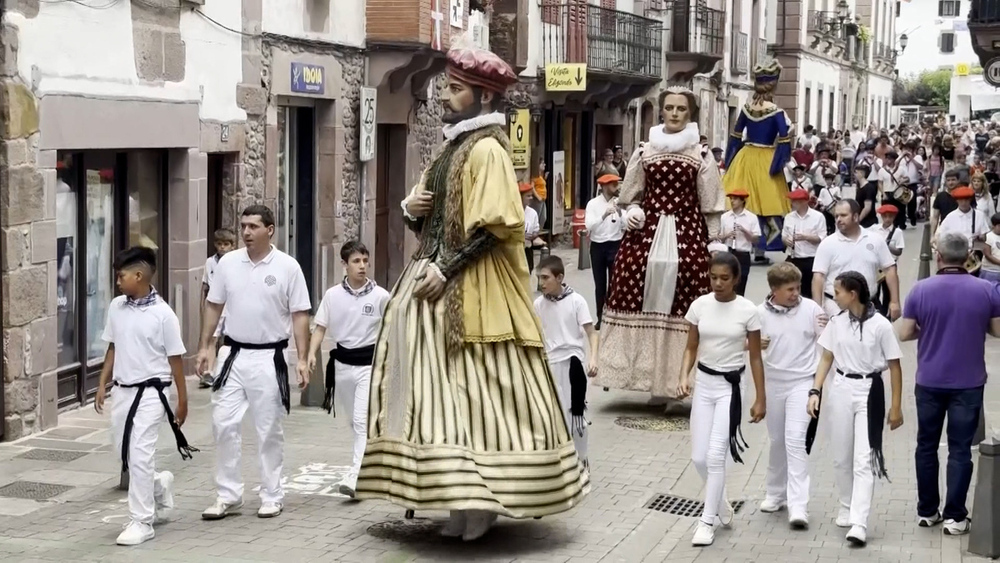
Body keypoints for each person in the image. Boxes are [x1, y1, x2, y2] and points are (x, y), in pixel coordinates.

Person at [358, 43, 589, 541]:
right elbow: (431, 218)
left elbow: (495, 228)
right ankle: (457, 496)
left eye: (457, 87)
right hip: (434, 275)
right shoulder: (451, 146)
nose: (447, 92)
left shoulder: (487, 149)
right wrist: (409, 208)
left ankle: (485, 500)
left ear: (484, 97)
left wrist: (447, 268)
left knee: (483, 387)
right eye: (449, 85)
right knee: (438, 392)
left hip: (476, 283)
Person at [595, 86, 725, 415]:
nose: (675, 113)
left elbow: (710, 204)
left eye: (682, 109)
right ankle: (647, 378)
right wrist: (632, 211)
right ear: (662, 111)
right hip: (648, 232)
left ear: (690, 114)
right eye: (670, 108)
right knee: (630, 284)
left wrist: (712, 241)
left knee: (686, 301)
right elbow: (630, 193)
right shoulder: (645, 150)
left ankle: (677, 381)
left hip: (687, 231)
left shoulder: (701, 155)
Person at [196, 204, 312, 521]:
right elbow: (213, 305)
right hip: (231, 355)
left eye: (253, 227)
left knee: (268, 428)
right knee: (223, 424)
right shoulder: (228, 264)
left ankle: (272, 494)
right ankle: (228, 495)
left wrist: (302, 359)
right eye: (243, 226)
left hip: (269, 356)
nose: (246, 232)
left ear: (269, 230)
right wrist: (205, 346)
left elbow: (300, 314)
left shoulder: (288, 267)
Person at [897, 232, 1000, 536]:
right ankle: (956, 516)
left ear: (938, 256)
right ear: (969, 255)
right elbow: (996, 331)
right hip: (969, 383)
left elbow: (904, 333)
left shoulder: (921, 290)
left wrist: (927, 328)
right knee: (960, 450)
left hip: (929, 380)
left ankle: (928, 511)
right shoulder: (987, 289)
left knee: (926, 446)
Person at [94, 246, 194, 546]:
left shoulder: (163, 315)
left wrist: (182, 399)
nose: (117, 282)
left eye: (121, 276)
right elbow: (112, 346)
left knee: (140, 454)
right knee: (124, 454)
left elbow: (176, 358)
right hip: (123, 391)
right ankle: (159, 485)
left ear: (139, 275)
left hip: (153, 393)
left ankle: (142, 520)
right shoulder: (116, 307)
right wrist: (102, 383)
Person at [807, 271, 904, 547]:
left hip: (869, 391)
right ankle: (846, 504)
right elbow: (827, 357)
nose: (833, 296)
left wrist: (896, 406)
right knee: (841, 456)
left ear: (852, 294)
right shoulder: (836, 322)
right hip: (841, 388)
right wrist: (816, 390)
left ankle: (860, 522)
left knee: (864, 458)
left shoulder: (881, 325)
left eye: (836, 292)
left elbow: (895, 366)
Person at [676, 252, 765, 546]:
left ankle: (706, 520)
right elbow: (691, 346)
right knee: (698, 457)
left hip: (731, 387)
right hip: (704, 384)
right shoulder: (699, 306)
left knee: (716, 455)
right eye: (713, 277)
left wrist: (760, 398)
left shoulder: (748, 310)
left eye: (724, 278)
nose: (717, 283)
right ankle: (720, 500)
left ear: (736, 279)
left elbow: (754, 357)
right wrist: (683, 376)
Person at [305, 241, 390, 498]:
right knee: (353, 421)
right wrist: (310, 354)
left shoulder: (381, 296)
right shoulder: (332, 295)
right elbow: (320, 327)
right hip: (342, 366)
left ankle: (356, 476)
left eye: (365, 260)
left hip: (369, 365)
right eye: (356, 261)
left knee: (361, 420)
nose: (362, 266)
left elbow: (391, 330)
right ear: (344, 264)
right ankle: (371, 463)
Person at [757, 262, 827, 529]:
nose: (796, 293)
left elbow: (827, 344)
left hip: (802, 383)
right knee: (776, 440)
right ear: (774, 289)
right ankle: (775, 494)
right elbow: (744, 343)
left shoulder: (811, 309)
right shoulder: (758, 313)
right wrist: (750, 343)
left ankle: (798, 505)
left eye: (798, 287)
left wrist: (817, 388)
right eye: (790, 289)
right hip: (774, 383)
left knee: (795, 441)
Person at [724, 60, 794, 265]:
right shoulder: (777, 112)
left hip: (745, 157)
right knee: (768, 202)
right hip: (766, 158)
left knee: (745, 198)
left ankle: (742, 243)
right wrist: (779, 162)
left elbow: (735, 136)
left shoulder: (746, 109)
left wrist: (730, 162)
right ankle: (762, 248)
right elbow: (783, 139)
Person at [534, 256, 599, 470]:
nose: (541, 283)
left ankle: (582, 459)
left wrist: (593, 359)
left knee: (577, 415)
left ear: (559, 277)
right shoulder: (539, 304)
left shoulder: (577, 301)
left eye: (545, 278)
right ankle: (559, 463)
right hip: (550, 363)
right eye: (539, 278)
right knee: (553, 415)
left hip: (573, 363)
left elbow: (591, 332)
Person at [811, 200, 900, 320]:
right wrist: (818, 309)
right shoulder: (827, 243)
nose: (838, 219)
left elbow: (890, 269)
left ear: (856, 216)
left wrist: (894, 302)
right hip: (836, 308)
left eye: (843, 215)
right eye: (836, 216)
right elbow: (818, 277)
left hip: (868, 304)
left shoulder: (875, 239)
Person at [585, 173, 624, 328]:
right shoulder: (593, 204)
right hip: (598, 245)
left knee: (615, 284)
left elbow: (627, 225)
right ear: (605, 187)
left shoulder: (620, 202)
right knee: (600, 284)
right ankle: (601, 317)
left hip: (615, 244)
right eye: (614, 184)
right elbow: (588, 226)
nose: (617, 187)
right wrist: (603, 215)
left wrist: (621, 213)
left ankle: (614, 317)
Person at [199, 228, 237, 388]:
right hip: (214, 305)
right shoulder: (210, 262)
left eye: (226, 244)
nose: (222, 247)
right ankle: (208, 372)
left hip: (232, 305)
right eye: (219, 244)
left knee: (231, 339)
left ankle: (229, 370)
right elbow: (205, 286)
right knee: (211, 338)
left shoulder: (236, 262)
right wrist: (202, 306)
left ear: (232, 246)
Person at [781, 189, 827, 299]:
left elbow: (822, 238)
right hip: (793, 257)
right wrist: (786, 240)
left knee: (809, 291)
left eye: (795, 201)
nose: (792, 203)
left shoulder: (818, 217)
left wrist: (805, 237)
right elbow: (784, 235)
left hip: (811, 258)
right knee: (791, 288)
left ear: (804, 202)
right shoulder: (789, 217)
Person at [719, 188, 761, 296]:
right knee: (727, 282)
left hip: (743, 253)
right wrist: (727, 235)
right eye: (731, 199)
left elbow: (756, 239)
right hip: (728, 252)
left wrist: (745, 231)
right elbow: (719, 238)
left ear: (742, 201)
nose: (732, 201)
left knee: (741, 283)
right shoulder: (724, 217)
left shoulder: (751, 217)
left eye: (735, 199)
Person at [867, 204, 905, 317]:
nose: (888, 219)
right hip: (875, 265)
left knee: (888, 292)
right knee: (874, 291)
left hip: (889, 265)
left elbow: (899, 251)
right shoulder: (874, 229)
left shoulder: (897, 232)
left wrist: (887, 246)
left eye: (890, 216)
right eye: (885, 216)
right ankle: (876, 313)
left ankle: (887, 315)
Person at [936, 185, 989, 254]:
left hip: (974, 253)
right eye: (961, 200)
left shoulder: (979, 215)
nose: (963, 203)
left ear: (970, 200)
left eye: (966, 200)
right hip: (955, 252)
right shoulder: (950, 217)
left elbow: (984, 236)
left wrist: (981, 237)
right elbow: (941, 236)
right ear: (957, 201)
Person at [520, 182, 542, 272]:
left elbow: (536, 229)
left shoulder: (532, 213)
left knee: (529, 270)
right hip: (515, 250)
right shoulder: (513, 212)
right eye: (528, 196)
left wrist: (534, 235)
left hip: (527, 248)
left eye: (531, 196)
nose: (531, 198)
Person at [982, 212, 1000, 283]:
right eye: (999, 226)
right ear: (993, 226)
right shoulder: (989, 236)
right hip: (990, 270)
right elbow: (988, 255)